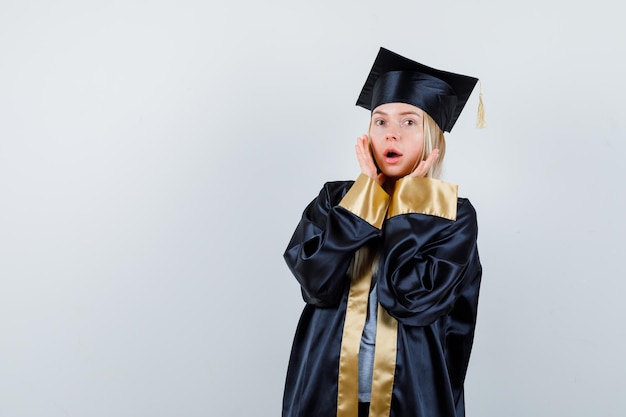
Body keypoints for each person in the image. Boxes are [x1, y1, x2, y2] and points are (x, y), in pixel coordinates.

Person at [282, 47, 483, 417]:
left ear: (432, 140)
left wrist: (412, 203)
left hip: (412, 396)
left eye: (409, 122)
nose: (392, 134)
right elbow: (314, 281)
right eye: (381, 121)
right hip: (324, 391)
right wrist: (365, 198)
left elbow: (410, 300)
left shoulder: (453, 215)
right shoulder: (334, 199)